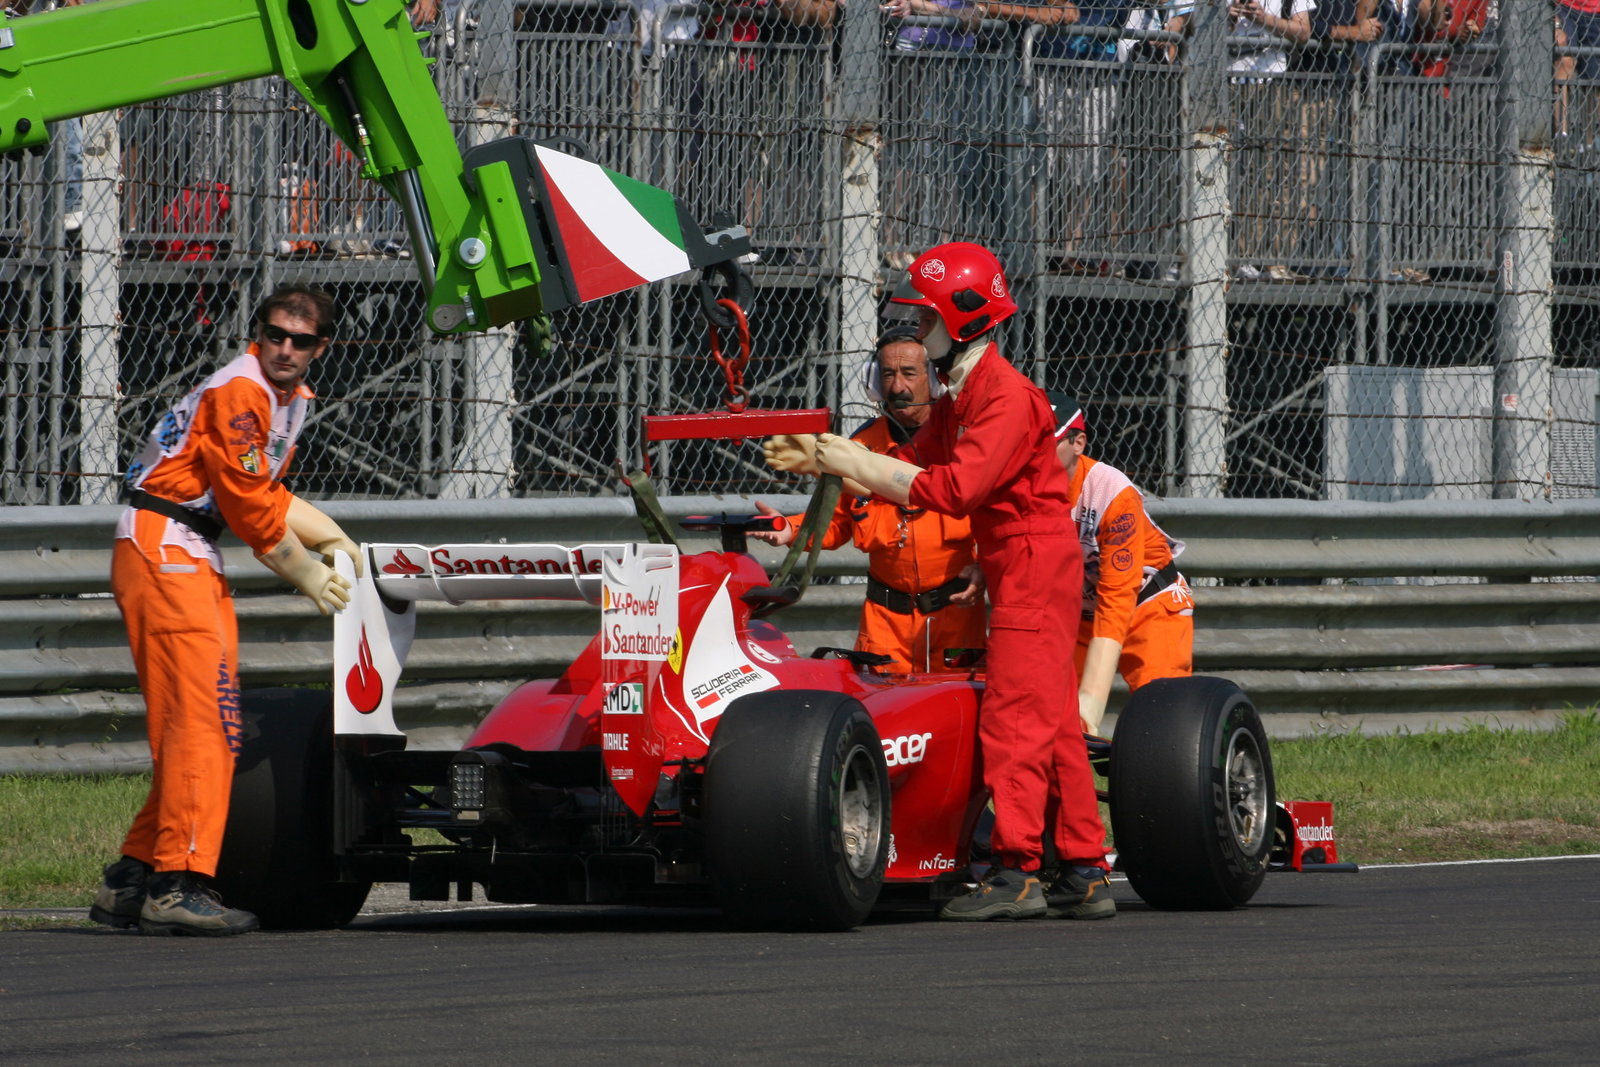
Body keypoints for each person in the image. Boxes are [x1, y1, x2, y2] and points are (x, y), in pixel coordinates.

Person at [764, 242, 1113, 922]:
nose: (919, 336)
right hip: (1025, 563)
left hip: (1030, 565)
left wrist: (855, 466)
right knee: (1054, 723)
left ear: (959, 318)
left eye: (926, 321)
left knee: (1012, 717)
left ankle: (1017, 870)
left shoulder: (1004, 396)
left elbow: (952, 488)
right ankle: (1083, 867)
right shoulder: (970, 390)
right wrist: (828, 458)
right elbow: (916, 451)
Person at [93, 285, 360, 937]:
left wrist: (328, 533)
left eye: (301, 340)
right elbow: (245, 500)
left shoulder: (285, 397)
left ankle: (134, 876)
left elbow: (259, 487)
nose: (285, 349)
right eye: (275, 334)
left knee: (212, 723)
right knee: (204, 722)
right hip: (168, 545)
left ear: (322, 347)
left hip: (184, 546)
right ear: (258, 333)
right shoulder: (243, 391)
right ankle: (178, 882)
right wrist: (304, 569)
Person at [751, 327, 985, 674]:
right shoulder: (859, 447)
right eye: (888, 374)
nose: (898, 387)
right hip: (884, 626)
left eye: (909, 373)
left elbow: (998, 518)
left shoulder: (962, 441)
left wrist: (988, 567)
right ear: (875, 381)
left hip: (956, 620)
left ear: (934, 379)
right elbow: (837, 521)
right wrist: (790, 529)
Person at [1047, 394, 1194, 735]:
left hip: (1147, 604)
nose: (1033, 458)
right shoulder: (1021, 485)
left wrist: (1093, 700)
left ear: (1078, 443)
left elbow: (1117, 596)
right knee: (1057, 714)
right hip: (1080, 610)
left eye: (1047, 446)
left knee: (1159, 715)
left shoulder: (1111, 492)